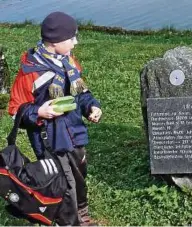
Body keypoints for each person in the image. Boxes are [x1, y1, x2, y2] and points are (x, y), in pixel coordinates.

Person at [8, 11, 102, 226]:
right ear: (55, 42)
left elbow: (81, 92)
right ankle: (70, 222)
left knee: (78, 175)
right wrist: (39, 112)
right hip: (49, 138)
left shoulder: (69, 62)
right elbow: (16, 110)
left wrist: (91, 107)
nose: (75, 42)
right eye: (72, 38)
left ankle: (82, 212)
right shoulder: (30, 71)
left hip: (74, 132)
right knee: (64, 182)